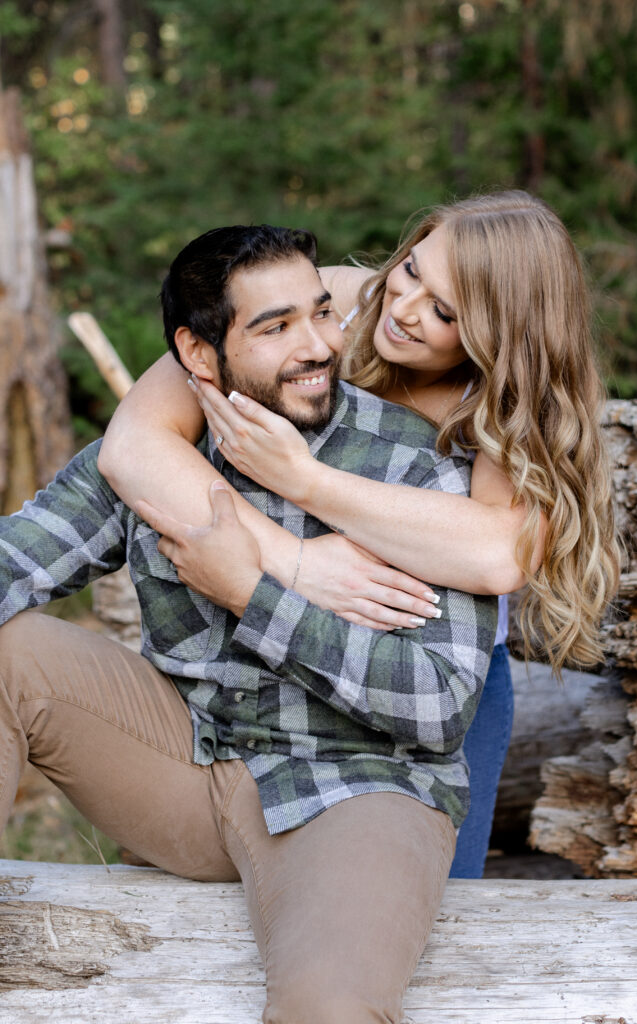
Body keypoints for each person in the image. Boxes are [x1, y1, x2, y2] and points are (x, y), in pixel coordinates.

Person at [0, 224, 496, 1024]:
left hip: (355, 784)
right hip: (186, 761)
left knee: (328, 1009)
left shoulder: (418, 466)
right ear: (199, 356)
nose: (318, 347)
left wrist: (255, 595)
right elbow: (17, 559)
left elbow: (437, 710)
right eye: (275, 328)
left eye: (322, 314)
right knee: (9, 650)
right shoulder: (160, 453)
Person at [99, 190, 621, 877]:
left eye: (444, 313)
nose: (403, 310)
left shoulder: (505, 401)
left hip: (430, 674)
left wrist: (303, 481)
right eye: (411, 270)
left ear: (502, 335)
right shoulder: (325, 305)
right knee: (194, 894)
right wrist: (292, 561)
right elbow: (131, 447)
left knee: (432, 905)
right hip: (252, 647)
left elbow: (499, 555)